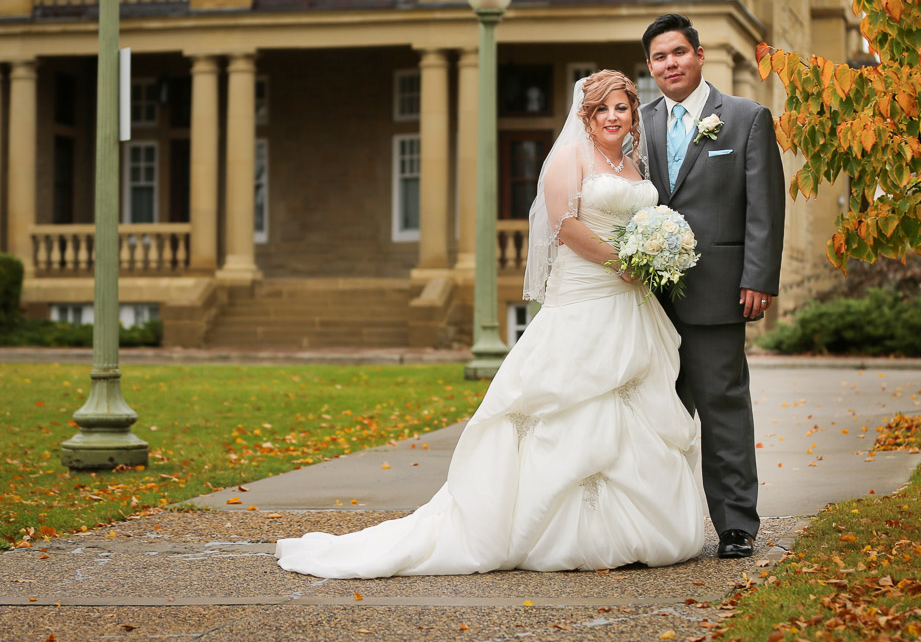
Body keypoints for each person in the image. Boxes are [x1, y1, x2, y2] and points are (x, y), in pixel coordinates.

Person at [275, 70, 705, 578]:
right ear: (586, 117)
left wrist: (654, 254)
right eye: (602, 109)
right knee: (571, 413)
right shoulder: (570, 159)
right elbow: (565, 227)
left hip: (632, 308)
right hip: (585, 298)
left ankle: (637, 530)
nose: (613, 117)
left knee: (637, 412)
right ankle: (561, 536)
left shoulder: (632, 164)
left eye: (621, 108)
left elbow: (640, 222)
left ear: (634, 114)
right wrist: (624, 262)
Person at [638, 13, 785, 559]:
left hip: (721, 290)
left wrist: (758, 278)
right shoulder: (638, 123)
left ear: (699, 55)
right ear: (650, 67)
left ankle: (736, 525)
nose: (669, 64)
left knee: (723, 406)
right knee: (654, 413)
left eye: (678, 52)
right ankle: (657, 525)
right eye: (659, 57)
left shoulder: (745, 119)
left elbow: (765, 206)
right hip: (647, 298)